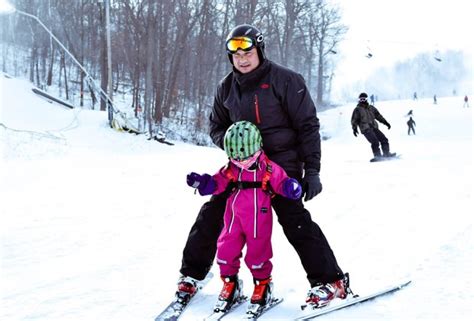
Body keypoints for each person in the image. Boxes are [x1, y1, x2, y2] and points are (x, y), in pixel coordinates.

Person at [176, 24, 349, 310]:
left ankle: (330, 280)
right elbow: (216, 125)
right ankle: (192, 275)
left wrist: (313, 170)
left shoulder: (286, 80)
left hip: (282, 165)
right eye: (236, 54)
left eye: (248, 52)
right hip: (243, 167)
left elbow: (307, 126)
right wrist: (235, 146)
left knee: (295, 221)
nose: (242, 59)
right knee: (211, 215)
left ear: (260, 50)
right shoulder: (226, 87)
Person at [186, 121, 302, 311]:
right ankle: (231, 282)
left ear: (256, 149)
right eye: (235, 157)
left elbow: (282, 183)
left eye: (245, 157)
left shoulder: (269, 168)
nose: (240, 162)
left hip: (258, 218)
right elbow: (216, 183)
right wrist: (202, 183)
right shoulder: (231, 168)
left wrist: (291, 188)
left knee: (258, 251)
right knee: (225, 249)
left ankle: (262, 284)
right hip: (233, 218)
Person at [351, 92, 396, 161]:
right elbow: (354, 120)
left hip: (374, 127)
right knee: (375, 141)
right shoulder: (357, 109)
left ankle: (386, 153)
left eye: (364, 99)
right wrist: (354, 128)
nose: (362, 100)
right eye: (361, 99)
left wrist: (385, 123)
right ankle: (377, 156)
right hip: (365, 129)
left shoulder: (371, 108)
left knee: (384, 139)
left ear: (366, 99)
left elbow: (378, 116)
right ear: (359, 100)